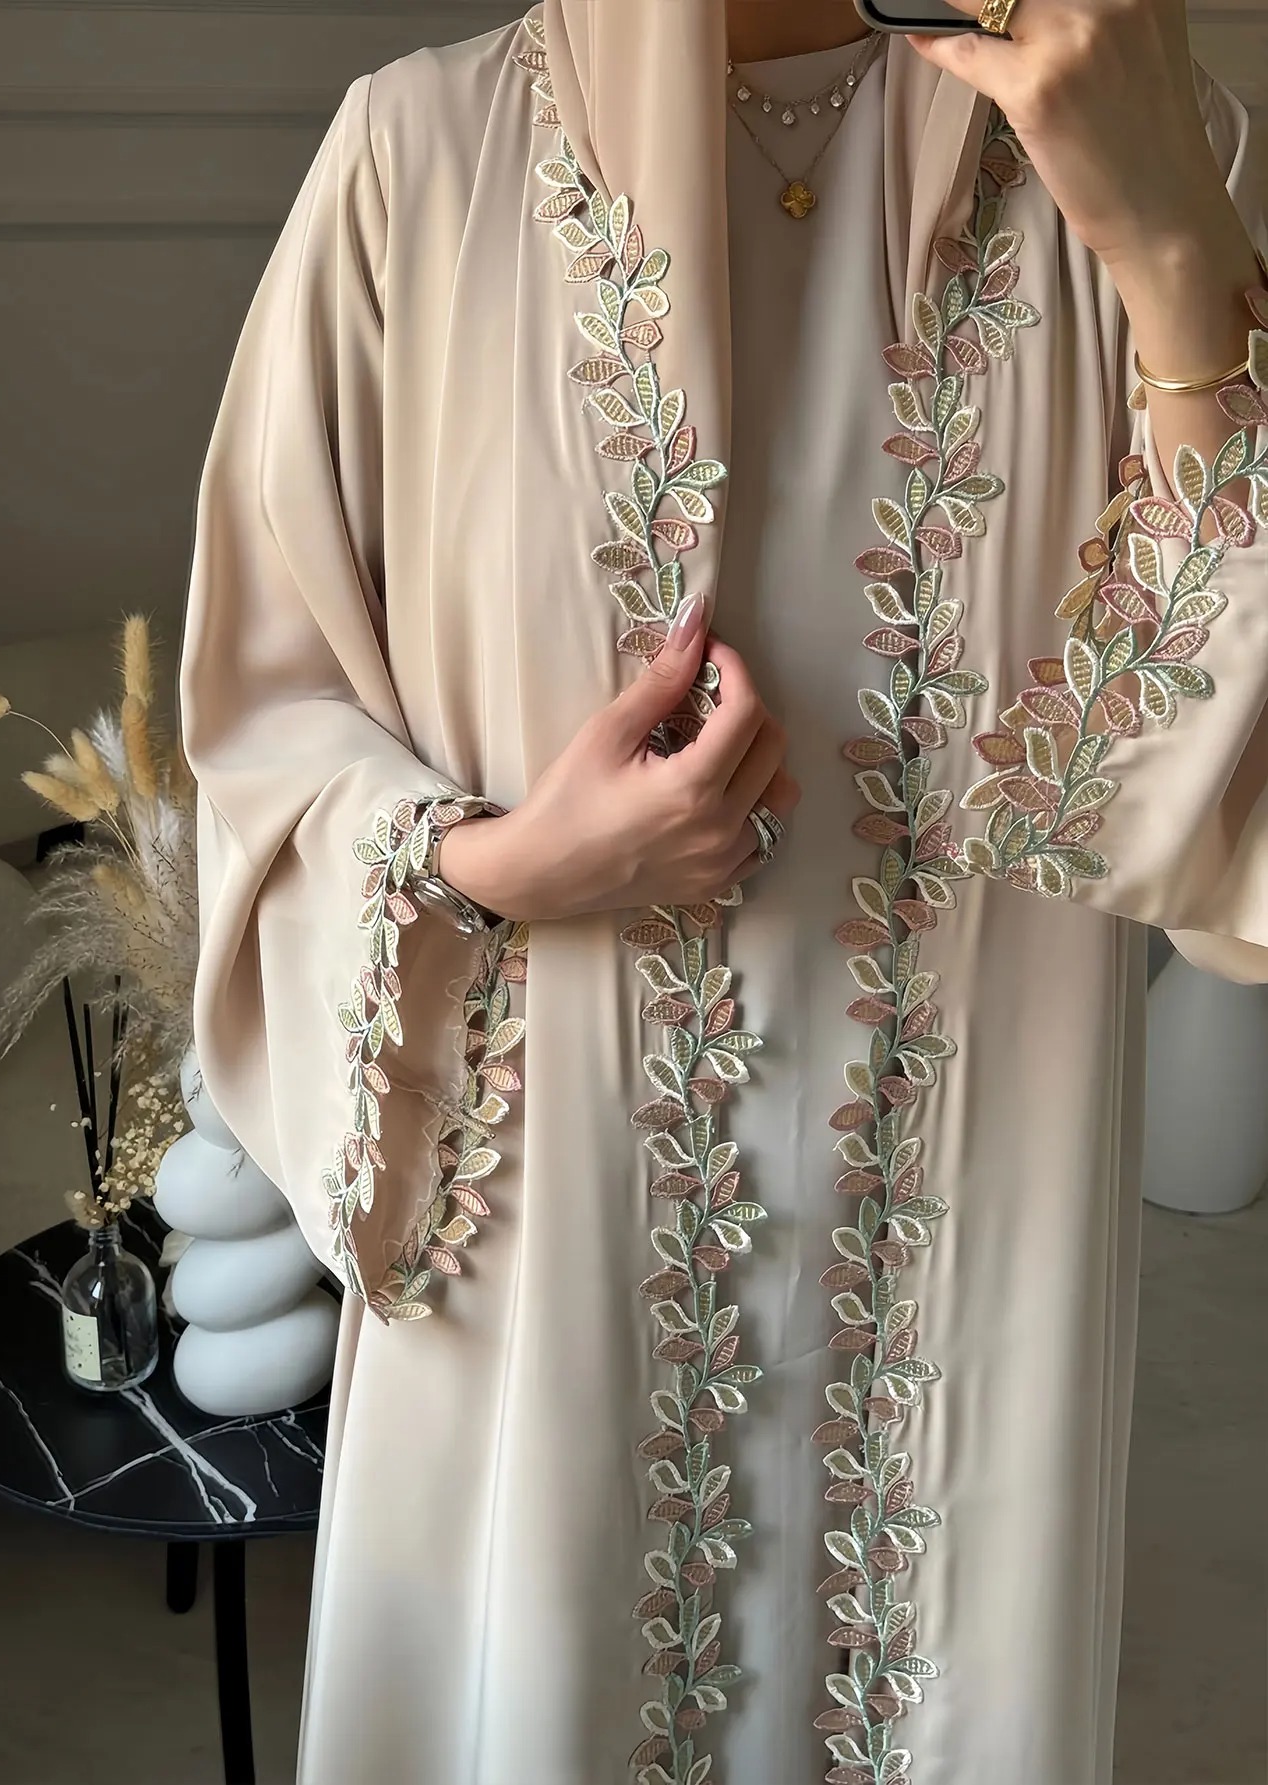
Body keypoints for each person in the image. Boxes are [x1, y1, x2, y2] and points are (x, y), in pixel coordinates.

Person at [178, 2, 1268, 1780]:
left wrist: (1166, 253)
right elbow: (262, 729)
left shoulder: (1155, 133)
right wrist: (508, 866)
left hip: (970, 1265)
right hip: (546, 1269)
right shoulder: (419, 160)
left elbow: (1229, 799)